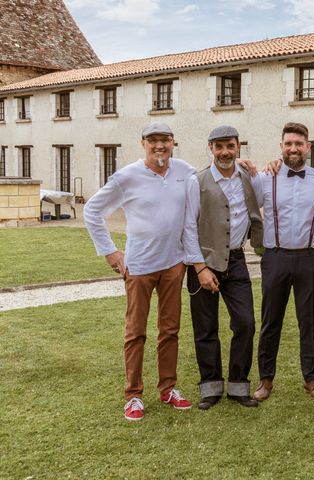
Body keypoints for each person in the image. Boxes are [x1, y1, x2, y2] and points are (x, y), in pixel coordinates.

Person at [84, 122, 194, 421]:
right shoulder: (126, 177)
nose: (159, 146)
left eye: (165, 140)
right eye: (153, 140)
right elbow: (92, 210)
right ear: (142, 143)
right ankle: (133, 395)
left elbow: (212, 182)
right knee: (135, 332)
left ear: (173, 143)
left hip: (174, 263)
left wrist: (247, 165)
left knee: (170, 331)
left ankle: (168, 389)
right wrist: (109, 251)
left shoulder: (184, 171)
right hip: (140, 265)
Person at [252, 122, 314, 402]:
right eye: (288, 144)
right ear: (281, 147)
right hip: (275, 257)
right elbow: (246, 209)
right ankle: (266, 380)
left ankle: (311, 379)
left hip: (309, 259)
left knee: (309, 322)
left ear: (308, 147)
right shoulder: (266, 178)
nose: (293, 149)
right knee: (270, 321)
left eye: (298, 144)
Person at [183, 125, 263, 410]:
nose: (225, 152)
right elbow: (188, 228)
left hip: (237, 260)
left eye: (230, 146)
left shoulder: (248, 178)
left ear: (238, 146)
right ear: (210, 149)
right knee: (205, 327)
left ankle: (239, 386)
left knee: (246, 323)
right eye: (219, 147)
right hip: (204, 262)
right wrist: (200, 268)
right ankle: (211, 387)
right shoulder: (197, 181)